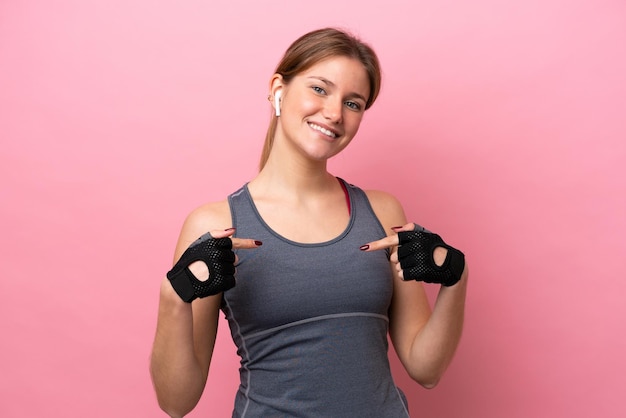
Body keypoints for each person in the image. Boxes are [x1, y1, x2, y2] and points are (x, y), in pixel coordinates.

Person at [150, 27, 468, 418]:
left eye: (353, 103)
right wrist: (173, 296)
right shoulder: (217, 224)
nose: (334, 113)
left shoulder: (383, 213)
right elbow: (176, 402)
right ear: (278, 89)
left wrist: (456, 277)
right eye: (320, 89)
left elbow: (426, 369)